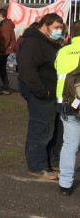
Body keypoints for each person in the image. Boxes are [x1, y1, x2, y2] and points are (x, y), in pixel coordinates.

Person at [17, 12, 64, 181]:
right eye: (56, 28)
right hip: (41, 93)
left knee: (53, 130)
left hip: (52, 94)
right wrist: (43, 92)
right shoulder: (33, 43)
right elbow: (28, 70)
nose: (59, 31)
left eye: (61, 28)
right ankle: (37, 166)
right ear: (45, 26)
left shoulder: (51, 43)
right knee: (40, 129)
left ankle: (49, 162)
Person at [55, 20, 80, 195]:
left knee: (69, 143)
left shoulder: (62, 51)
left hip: (65, 102)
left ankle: (65, 183)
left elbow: (57, 68)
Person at [0, 8, 16, 94]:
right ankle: (2, 87)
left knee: (1, 69)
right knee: (0, 69)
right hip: (4, 50)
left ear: (0, 15)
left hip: (3, 51)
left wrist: (0, 50)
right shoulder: (6, 23)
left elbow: (5, 40)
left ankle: (5, 88)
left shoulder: (6, 25)